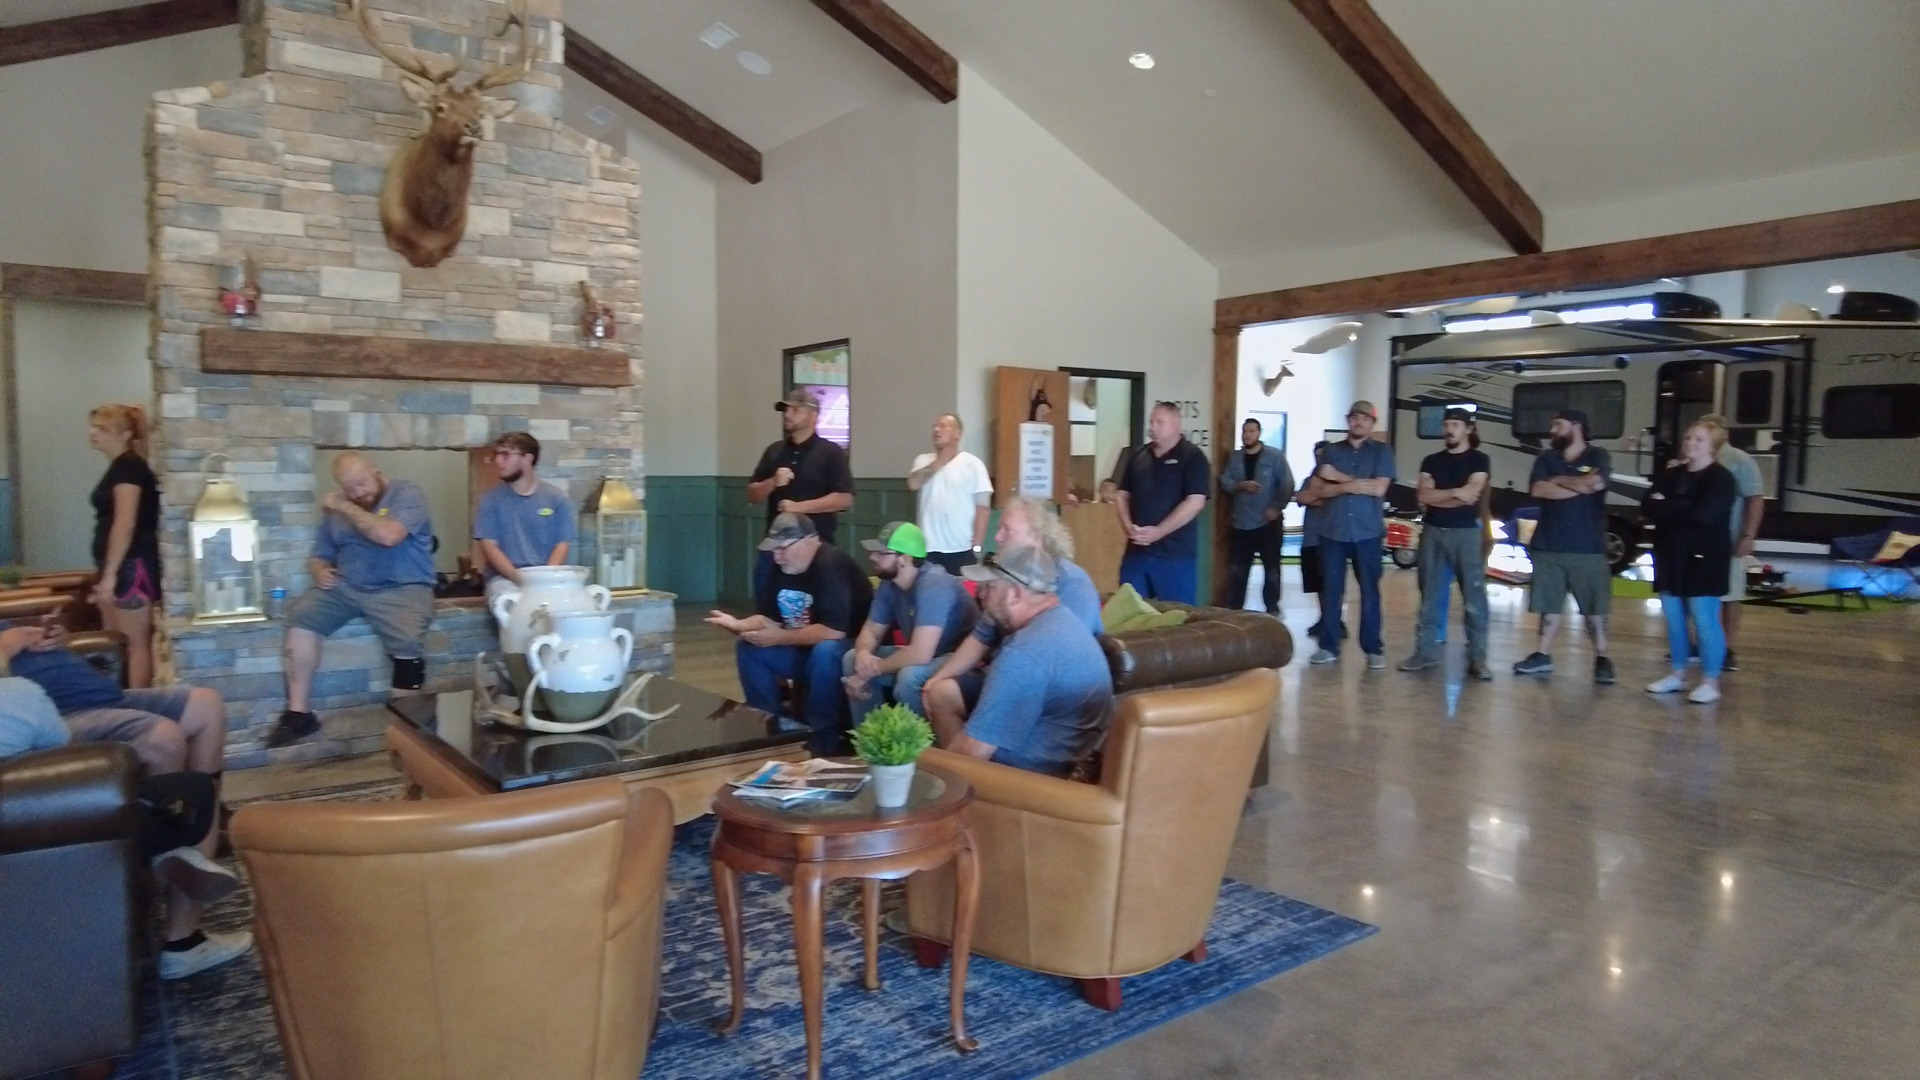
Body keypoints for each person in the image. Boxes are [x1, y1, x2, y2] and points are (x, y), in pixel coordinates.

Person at [0, 620, 252, 979]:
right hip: (59, 713)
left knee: (207, 704)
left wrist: (51, 640)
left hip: (101, 698)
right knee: (163, 739)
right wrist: (8, 645)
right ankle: (180, 861)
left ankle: (205, 831)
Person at [269, 452, 436, 748]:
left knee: (408, 644)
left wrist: (345, 506)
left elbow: (387, 536)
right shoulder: (337, 511)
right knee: (300, 616)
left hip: (403, 588)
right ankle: (298, 715)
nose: (358, 493)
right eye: (349, 488)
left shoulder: (407, 494)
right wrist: (319, 570)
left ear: (376, 471)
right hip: (347, 587)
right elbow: (319, 554)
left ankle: (406, 732)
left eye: (362, 484)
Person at [916, 496, 1102, 731]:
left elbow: (1062, 658)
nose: (997, 537)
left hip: (1046, 686)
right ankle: (950, 753)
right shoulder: (1006, 574)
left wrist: (999, 679)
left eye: (1007, 530)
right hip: (1004, 669)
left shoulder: (1073, 583)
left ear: (1037, 537)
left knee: (915, 680)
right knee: (929, 686)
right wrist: (937, 679)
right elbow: (979, 638)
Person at [707, 513, 872, 755]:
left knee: (825, 651)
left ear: (809, 540)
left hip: (846, 653)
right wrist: (740, 625)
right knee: (750, 648)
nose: (777, 556)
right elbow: (769, 618)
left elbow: (833, 631)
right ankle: (768, 723)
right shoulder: (782, 567)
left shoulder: (832, 566)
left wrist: (778, 637)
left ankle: (823, 733)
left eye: (783, 548)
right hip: (804, 651)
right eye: (774, 549)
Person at [942, 545, 1112, 777]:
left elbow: (973, 752)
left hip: (1031, 778)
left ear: (1014, 595)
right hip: (1067, 758)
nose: (982, 595)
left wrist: (925, 768)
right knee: (944, 695)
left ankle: (964, 791)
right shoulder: (1061, 620)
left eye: (990, 587)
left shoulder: (1025, 652)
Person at [1513, 410, 1616, 683]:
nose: (1552, 430)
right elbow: (1538, 490)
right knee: (1549, 606)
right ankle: (1542, 655)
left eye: (1557, 425)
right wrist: (1578, 486)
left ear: (1576, 426)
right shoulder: (1547, 458)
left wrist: (1557, 480)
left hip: (1588, 546)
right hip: (1549, 545)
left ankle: (1602, 658)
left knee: (1594, 608)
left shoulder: (1598, 456)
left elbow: (1596, 483)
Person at [842, 522, 977, 727]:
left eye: (882, 553)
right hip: (927, 655)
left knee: (909, 678)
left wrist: (871, 669)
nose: (873, 557)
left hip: (959, 657)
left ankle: (922, 744)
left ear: (905, 558)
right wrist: (863, 655)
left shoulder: (934, 584)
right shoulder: (889, 584)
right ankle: (872, 740)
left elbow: (921, 653)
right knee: (852, 658)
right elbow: (871, 631)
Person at [1643, 421, 1738, 704]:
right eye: (1687, 437)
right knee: (1674, 618)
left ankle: (1711, 680)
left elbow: (1704, 515)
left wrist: (1667, 505)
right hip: (1670, 554)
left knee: (1704, 618)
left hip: (1705, 556)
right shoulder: (1671, 474)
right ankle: (1678, 673)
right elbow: (1648, 506)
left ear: (1712, 446)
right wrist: (1682, 504)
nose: (1690, 443)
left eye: (1698, 439)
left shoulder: (1721, 479)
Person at [1400, 409, 1493, 679]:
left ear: (1468, 429)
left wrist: (1440, 496)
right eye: (1446, 425)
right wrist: (1456, 493)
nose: (1449, 430)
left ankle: (1477, 659)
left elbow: (1472, 494)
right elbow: (1424, 495)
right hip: (1433, 532)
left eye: (1455, 425)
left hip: (1467, 534)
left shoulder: (1480, 460)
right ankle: (1424, 653)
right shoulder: (1431, 460)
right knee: (1429, 596)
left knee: (1474, 599)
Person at [1307, 402, 1396, 668]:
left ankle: (1373, 649)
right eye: (1355, 417)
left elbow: (1378, 489)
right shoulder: (1331, 451)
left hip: (1367, 533)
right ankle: (1328, 646)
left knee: (1370, 591)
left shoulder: (1382, 452)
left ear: (1372, 423)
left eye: (1365, 418)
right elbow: (1318, 490)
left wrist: (1338, 478)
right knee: (1331, 591)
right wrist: (1353, 485)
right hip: (1332, 531)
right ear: (1348, 420)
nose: (1359, 422)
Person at [87, 404, 162, 688]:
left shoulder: (129, 466)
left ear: (125, 434)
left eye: (101, 428)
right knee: (116, 642)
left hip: (130, 565)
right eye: (93, 427)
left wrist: (110, 575)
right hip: (117, 564)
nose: (92, 433)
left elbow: (125, 522)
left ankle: (138, 704)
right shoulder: (121, 466)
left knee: (133, 643)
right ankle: (120, 701)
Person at [1114, 401, 1210, 603]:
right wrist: (1128, 526)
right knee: (1129, 610)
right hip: (1137, 551)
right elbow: (1121, 495)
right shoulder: (1138, 456)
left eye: (1160, 422)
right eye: (1152, 422)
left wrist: (1159, 531)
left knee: (1178, 614)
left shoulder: (1193, 457)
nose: (1153, 427)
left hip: (1175, 554)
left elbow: (1195, 502)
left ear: (1176, 424)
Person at [473, 431, 576, 601]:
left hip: (547, 577)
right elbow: (490, 547)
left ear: (527, 459)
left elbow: (562, 544)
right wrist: (521, 580)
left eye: (505, 455)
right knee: (510, 600)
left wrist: (544, 580)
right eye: (496, 454)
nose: (498, 461)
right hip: (505, 579)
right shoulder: (490, 500)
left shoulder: (556, 498)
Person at [1698, 414, 1764, 671]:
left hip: (1729, 538)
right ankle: (1701, 644)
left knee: (1731, 595)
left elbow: (1755, 499)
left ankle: (1727, 647)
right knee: (1699, 595)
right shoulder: (1696, 455)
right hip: (1699, 540)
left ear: (1724, 432)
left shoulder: (1739, 460)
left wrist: (1748, 536)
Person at [747, 387, 855, 545]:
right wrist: (772, 481)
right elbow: (752, 495)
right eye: (786, 410)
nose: (787, 415)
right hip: (776, 544)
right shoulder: (774, 451)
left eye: (795, 410)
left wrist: (798, 507)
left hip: (816, 544)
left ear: (813, 416)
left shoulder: (831, 452)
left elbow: (844, 499)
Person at [1218, 418, 1295, 615]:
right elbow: (1225, 480)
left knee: (1272, 569)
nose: (1247, 435)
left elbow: (1287, 484)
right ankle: (1235, 607)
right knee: (1238, 569)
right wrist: (1240, 485)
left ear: (1259, 433)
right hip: (1242, 522)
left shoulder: (1275, 456)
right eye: (1245, 431)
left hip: (1268, 522)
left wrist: (1276, 507)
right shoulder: (1235, 458)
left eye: (1251, 431)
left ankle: (1272, 606)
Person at [907, 413, 993, 573]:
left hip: (961, 549)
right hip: (927, 549)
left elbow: (983, 508)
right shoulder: (922, 460)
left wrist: (976, 547)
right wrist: (941, 459)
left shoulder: (973, 464)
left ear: (957, 434)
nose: (936, 430)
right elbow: (913, 484)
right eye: (934, 426)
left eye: (943, 426)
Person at [1294, 440, 1331, 640]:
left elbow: (1330, 500)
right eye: (1316, 456)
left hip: (1329, 540)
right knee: (1316, 584)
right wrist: (1318, 496)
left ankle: (1334, 620)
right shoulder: (1309, 479)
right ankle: (1324, 618)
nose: (1319, 459)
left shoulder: (1338, 482)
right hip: (1310, 539)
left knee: (1331, 584)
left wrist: (1315, 496)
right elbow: (1301, 499)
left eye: (1322, 455)